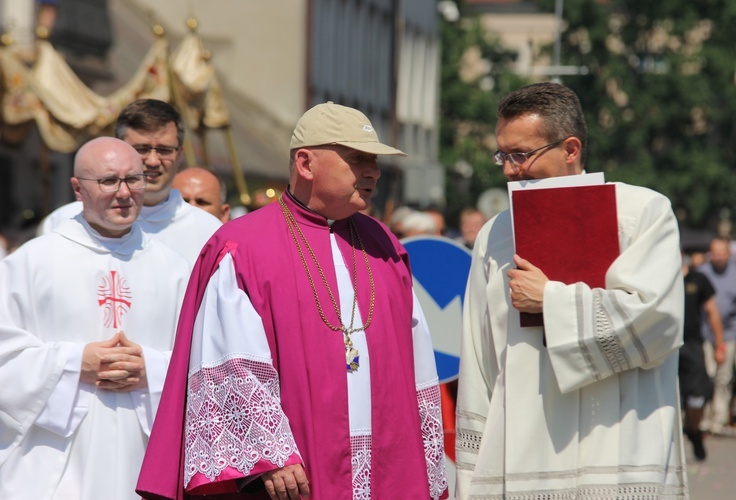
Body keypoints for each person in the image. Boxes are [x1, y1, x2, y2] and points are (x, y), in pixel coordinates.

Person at [136, 102, 448, 500]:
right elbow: (231, 359)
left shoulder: (384, 244)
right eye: (358, 159)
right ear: (305, 162)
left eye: (374, 161)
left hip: (388, 460)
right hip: (297, 471)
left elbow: (416, 355)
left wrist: (423, 448)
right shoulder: (245, 247)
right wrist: (271, 452)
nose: (373, 171)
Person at [455, 82, 687, 498]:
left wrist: (552, 300)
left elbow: (659, 322)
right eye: (502, 155)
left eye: (521, 155)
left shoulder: (643, 213)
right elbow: (479, 356)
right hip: (524, 451)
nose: (509, 169)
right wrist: (472, 477)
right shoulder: (495, 234)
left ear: (571, 148)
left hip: (621, 451)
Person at [0, 137, 190, 499]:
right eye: (108, 181)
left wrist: (151, 368)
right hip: (55, 459)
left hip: (144, 454)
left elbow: (201, 361)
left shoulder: (173, 268)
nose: (124, 192)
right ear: (77, 189)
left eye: (134, 179)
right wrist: (74, 364)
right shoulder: (31, 263)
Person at [38, 99, 222, 263]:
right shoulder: (63, 222)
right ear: (118, 147)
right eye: (141, 149)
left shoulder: (208, 231)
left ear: (179, 154)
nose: (153, 161)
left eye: (164, 150)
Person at [698, 236, 736, 435]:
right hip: (706, 332)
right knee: (707, 375)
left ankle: (719, 417)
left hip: (729, 333)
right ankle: (705, 417)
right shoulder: (702, 273)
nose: (718, 257)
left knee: (724, 377)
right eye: (714, 253)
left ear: (728, 253)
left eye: (721, 253)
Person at [681, 252, 725, 460]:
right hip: (666, 346)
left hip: (692, 345)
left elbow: (712, 311)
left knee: (697, 395)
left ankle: (694, 430)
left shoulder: (698, 280)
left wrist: (720, 344)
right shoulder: (662, 279)